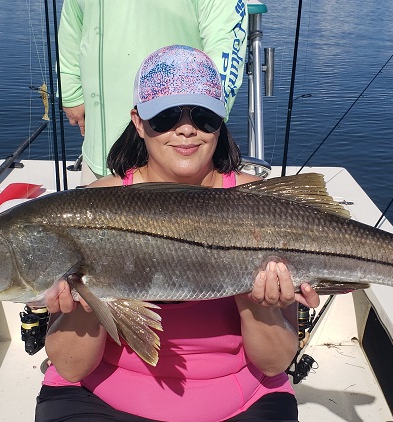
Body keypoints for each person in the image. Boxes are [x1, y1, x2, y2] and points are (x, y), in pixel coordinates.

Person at [35, 45, 320, 422]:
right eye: (166, 115)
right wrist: (88, 303)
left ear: (221, 121)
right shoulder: (91, 205)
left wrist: (258, 303)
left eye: (204, 116)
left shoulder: (264, 208)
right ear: (138, 122)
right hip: (97, 398)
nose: (186, 129)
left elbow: (274, 363)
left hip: (242, 399)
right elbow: (72, 368)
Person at [57, 0, 249, 184]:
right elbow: (72, 23)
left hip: (181, 156)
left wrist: (205, 117)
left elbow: (226, 44)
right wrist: (70, 90)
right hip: (97, 148)